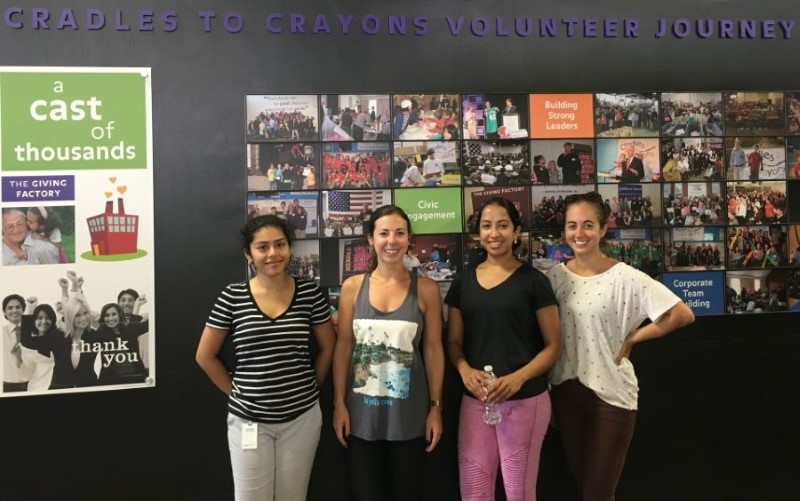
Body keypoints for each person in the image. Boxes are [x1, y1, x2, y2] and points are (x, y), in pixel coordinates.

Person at [546, 191, 695, 501]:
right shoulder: (553, 279)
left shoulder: (624, 277)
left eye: (588, 225)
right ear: (564, 231)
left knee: (597, 494)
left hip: (610, 396)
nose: (579, 233)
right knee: (589, 488)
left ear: (603, 229)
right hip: (564, 393)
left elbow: (680, 314)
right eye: (572, 225)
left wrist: (633, 337)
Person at [195, 215, 337, 501]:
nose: (273, 253)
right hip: (249, 420)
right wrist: (236, 392)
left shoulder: (309, 293)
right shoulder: (232, 296)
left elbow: (329, 347)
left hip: (301, 419)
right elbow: (204, 356)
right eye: (262, 247)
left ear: (289, 248)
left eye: (280, 244)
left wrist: (312, 385)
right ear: (249, 254)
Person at [445, 197, 562, 501]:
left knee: (519, 493)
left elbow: (554, 346)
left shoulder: (534, 282)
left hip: (524, 400)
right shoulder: (463, 282)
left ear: (516, 231)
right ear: (478, 233)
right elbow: (454, 342)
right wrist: (464, 370)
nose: (494, 233)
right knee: (473, 491)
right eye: (486, 226)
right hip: (477, 400)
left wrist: (518, 378)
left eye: (502, 225)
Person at [332, 205, 445, 501]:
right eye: (383, 233)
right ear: (371, 238)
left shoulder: (427, 290)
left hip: (409, 419)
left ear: (409, 238)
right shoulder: (352, 288)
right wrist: (338, 403)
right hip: (360, 418)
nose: (391, 241)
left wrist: (435, 407)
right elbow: (343, 346)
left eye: (399, 233)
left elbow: (433, 349)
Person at [3, 294, 34, 392]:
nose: (14, 310)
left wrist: (31, 307)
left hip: (31, 385)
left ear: (23, 310)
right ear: (4, 312)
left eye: (18, 307)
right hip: (8, 386)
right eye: (10, 308)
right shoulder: (2, 332)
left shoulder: (31, 331)